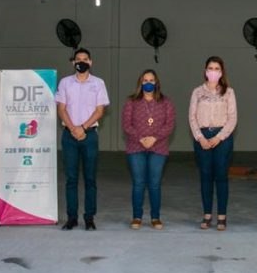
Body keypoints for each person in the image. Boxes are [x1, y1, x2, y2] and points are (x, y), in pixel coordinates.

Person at [55, 48, 110, 230]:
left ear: (90, 62)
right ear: (73, 62)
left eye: (85, 59)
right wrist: (73, 128)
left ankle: (89, 217)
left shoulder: (98, 83)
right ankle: (71, 217)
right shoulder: (65, 83)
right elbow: (61, 109)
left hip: (89, 135)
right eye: (78, 59)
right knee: (71, 179)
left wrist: (83, 128)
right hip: (69, 136)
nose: (81, 62)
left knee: (90, 178)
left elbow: (100, 110)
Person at [121, 69, 176, 230]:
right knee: (138, 183)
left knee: (154, 184)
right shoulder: (131, 102)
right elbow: (126, 125)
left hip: (158, 147)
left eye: (151, 80)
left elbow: (169, 125)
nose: (148, 83)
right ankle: (137, 216)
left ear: (156, 83)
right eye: (145, 80)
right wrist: (140, 138)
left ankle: (155, 217)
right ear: (140, 83)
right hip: (135, 146)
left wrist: (154, 138)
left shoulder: (166, 102)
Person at [188, 56, 237, 231]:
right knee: (205, 176)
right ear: (205, 71)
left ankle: (222, 216)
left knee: (221, 176)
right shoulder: (197, 92)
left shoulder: (229, 92)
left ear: (221, 72)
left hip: (222, 137)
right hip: (202, 136)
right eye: (210, 68)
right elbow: (192, 116)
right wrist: (200, 137)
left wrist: (219, 137)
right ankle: (207, 214)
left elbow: (232, 118)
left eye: (217, 69)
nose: (213, 71)